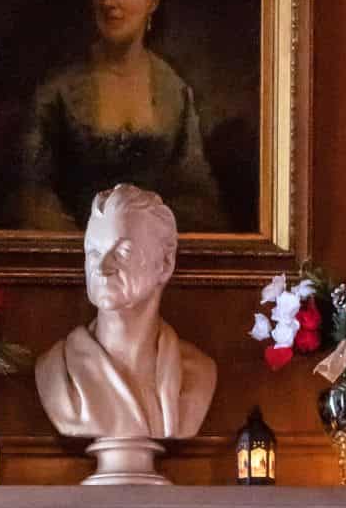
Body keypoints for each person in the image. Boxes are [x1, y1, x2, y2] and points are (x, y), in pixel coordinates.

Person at [13, 0, 227, 233]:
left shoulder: (173, 90)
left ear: (152, 0)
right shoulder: (58, 91)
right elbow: (33, 190)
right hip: (77, 256)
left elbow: (195, 188)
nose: (108, 2)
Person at [35, 184, 217, 443]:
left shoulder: (198, 374)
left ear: (165, 263)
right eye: (94, 252)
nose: (102, 267)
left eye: (122, 252)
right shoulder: (57, 372)